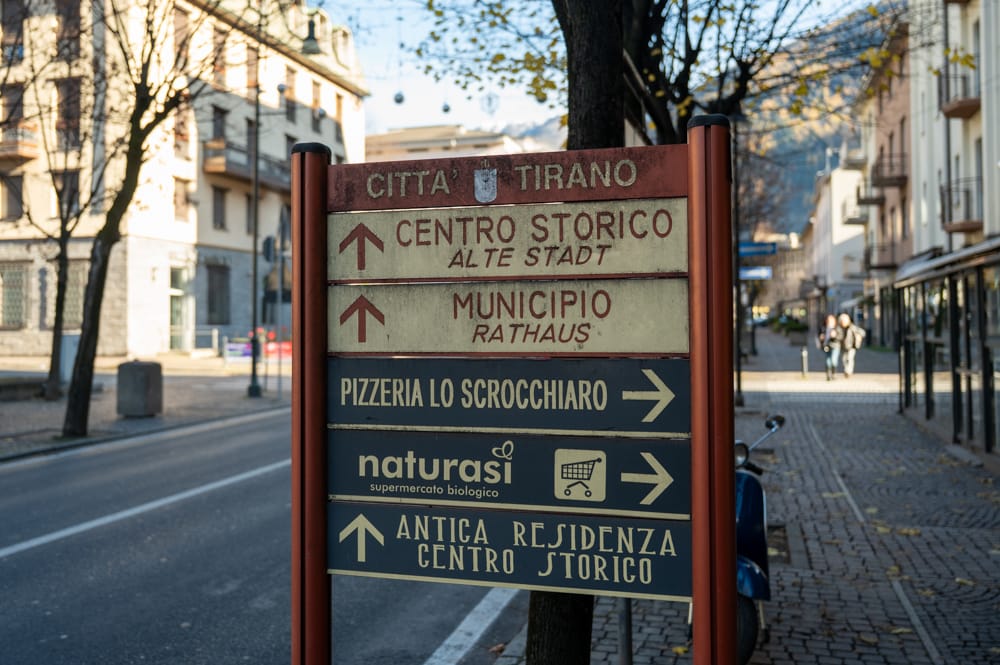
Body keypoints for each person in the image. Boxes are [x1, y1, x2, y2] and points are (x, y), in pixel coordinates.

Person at [838, 312, 866, 378]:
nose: (843, 322)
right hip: (843, 346)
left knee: (850, 358)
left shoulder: (852, 327)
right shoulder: (839, 328)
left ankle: (848, 371)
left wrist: (859, 336)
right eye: (842, 321)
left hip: (852, 346)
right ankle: (846, 370)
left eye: (845, 321)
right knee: (844, 359)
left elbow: (863, 332)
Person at [818, 314, 842, 380]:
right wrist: (821, 338)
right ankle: (828, 375)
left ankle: (833, 374)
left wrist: (835, 336)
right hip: (826, 346)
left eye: (831, 320)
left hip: (835, 346)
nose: (829, 321)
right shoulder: (823, 328)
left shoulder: (837, 328)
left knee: (834, 360)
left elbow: (841, 337)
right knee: (828, 361)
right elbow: (819, 336)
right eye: (828, 320)